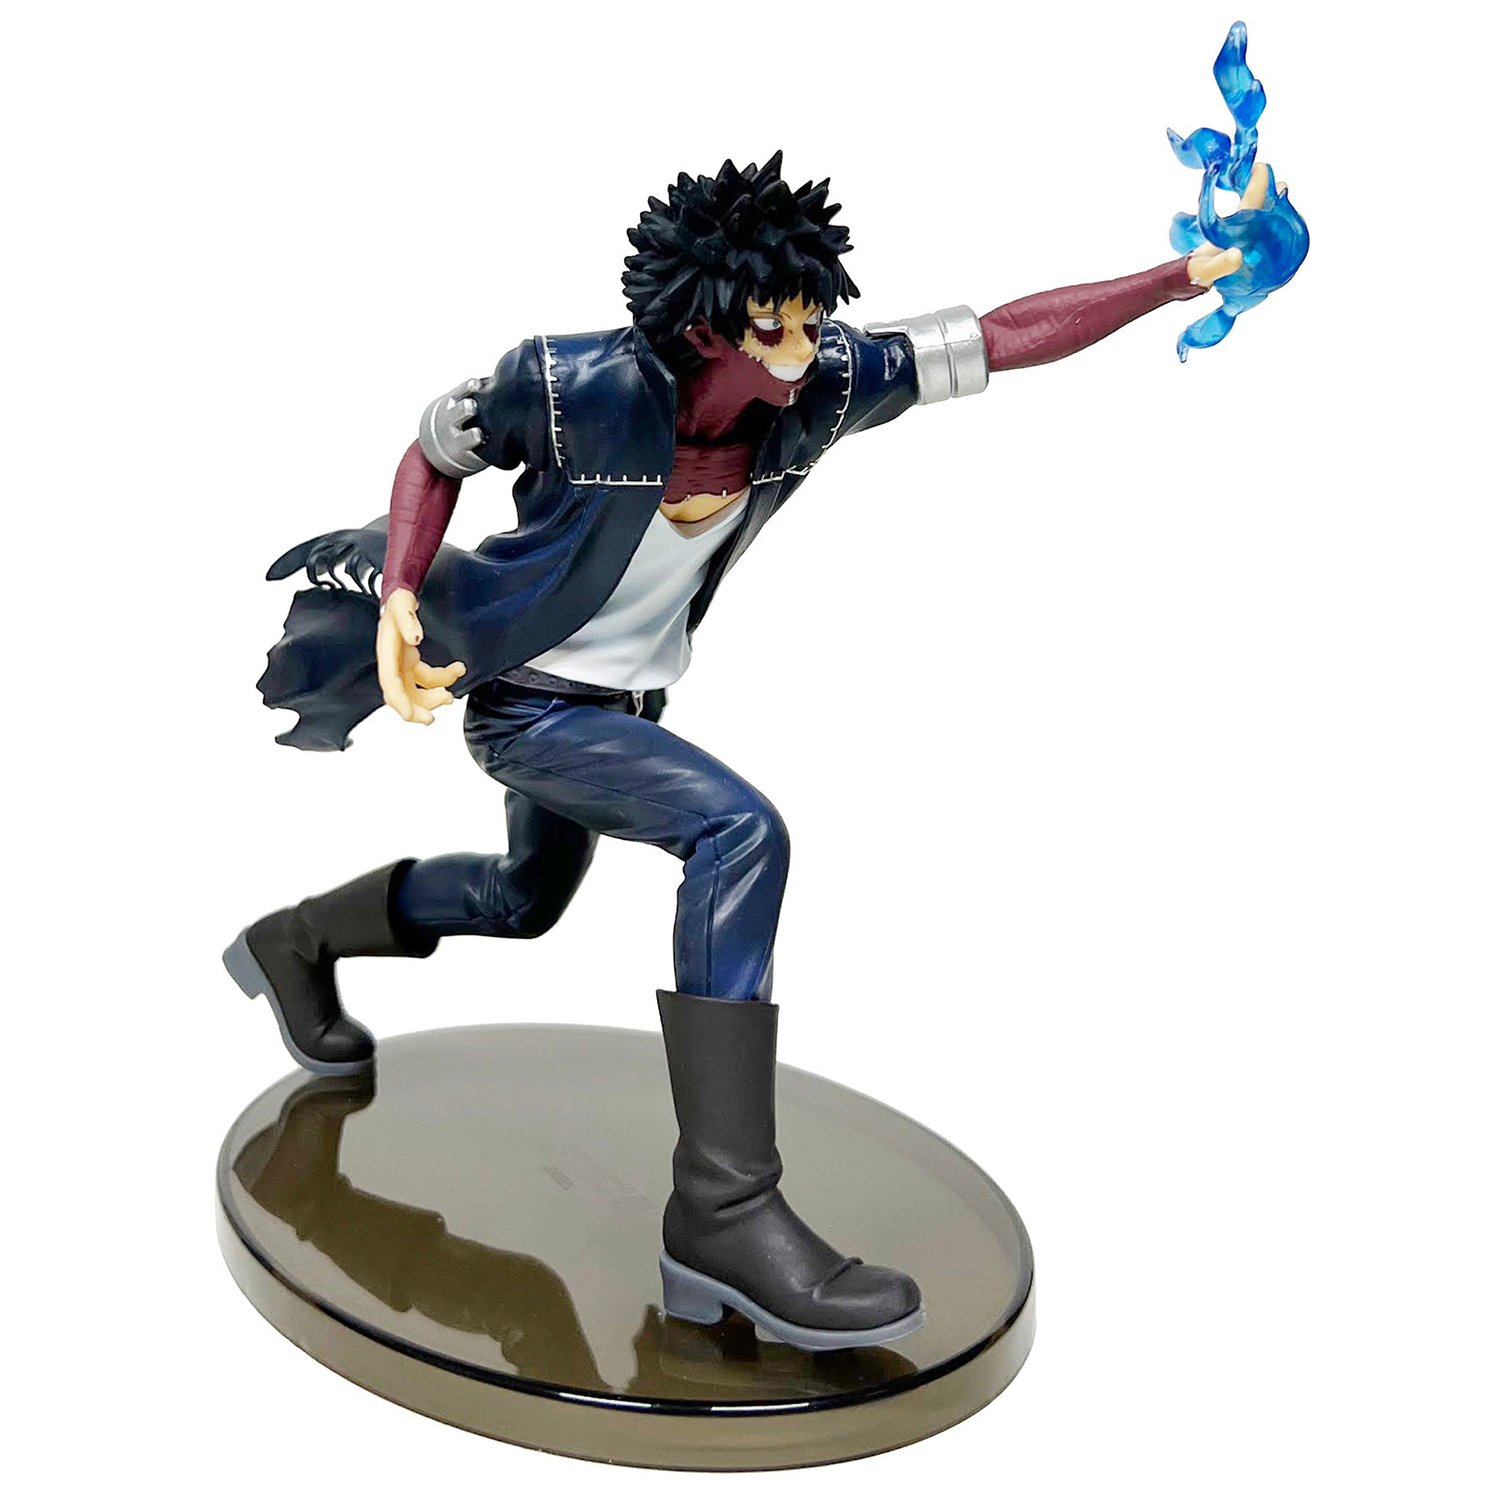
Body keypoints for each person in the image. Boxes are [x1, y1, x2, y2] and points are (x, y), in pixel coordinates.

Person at [228, 152, 1252, 1350]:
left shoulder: (824, 383)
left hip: (628, 708)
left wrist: (1177, 278)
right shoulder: (564, 385)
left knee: (521, 900)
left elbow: (1004, 333)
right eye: (774, 326)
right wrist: (401, 594)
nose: (803, 348)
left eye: (813, 318)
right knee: (738, 832)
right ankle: (723, 1210)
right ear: (705, 325)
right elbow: (432, 454)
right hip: (529, 705)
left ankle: (294, 942)